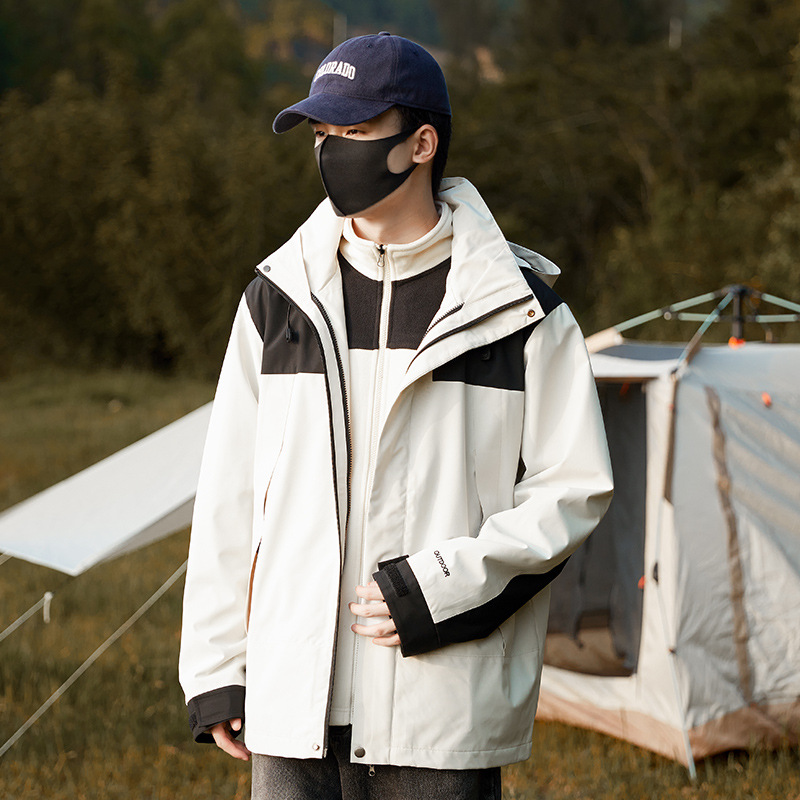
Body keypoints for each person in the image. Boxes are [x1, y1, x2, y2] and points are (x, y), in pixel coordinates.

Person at [179, 32, 613, 800]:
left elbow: (573, 492)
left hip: (439, 708)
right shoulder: (277, 304)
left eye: (353, 130)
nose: (330, 152)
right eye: (321, 133)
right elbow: (228, 498)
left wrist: (441, 588)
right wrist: (217, 667)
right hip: (290, 706)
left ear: (421, 144)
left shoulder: (519, 311)